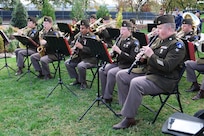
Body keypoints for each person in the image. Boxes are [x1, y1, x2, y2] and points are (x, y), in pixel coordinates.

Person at [112, 15, 186, 129]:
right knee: (121, 75)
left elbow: (167, 66)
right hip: (151, 73)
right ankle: (126, 109)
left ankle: (129, 118)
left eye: (160, 28)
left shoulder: (177, 45)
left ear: (170, 29)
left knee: (136, 83)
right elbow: (151, 59)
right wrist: (143, 58)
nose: (157, 30)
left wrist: (150, 54)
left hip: (164, 79)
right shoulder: (159, 40)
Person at [99, 20, 140, 104]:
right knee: (102, 70)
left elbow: (133, 59)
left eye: (124, 30)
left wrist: (119, 51)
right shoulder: (120, 39)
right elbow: (115, 54)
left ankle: (108, 97)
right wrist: (111, 53)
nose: (121, 32)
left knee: (111, 72)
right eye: (121, 29)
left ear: (129, 30)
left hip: (127, 66)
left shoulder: (134, 42)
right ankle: (104, 93)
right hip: (118, 63)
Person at [64, 19, 97, 90]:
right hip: (80, 57)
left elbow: (94, 51)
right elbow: (73, 43)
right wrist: (73, 48)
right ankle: (78, 79)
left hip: (91, 59)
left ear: (88, 28)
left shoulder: (92, 37)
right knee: (67, 63)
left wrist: (82, 47)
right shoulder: (79, 35)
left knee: (80, 66)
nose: (80, 30)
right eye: (80, 28)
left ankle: (83, 83)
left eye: (83, 28)